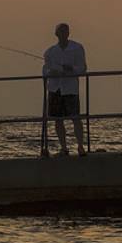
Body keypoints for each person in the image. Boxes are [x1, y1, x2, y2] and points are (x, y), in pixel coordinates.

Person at [42, 23, 87, 156]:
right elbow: (45, 70)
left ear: (68, 33)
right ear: (56, 34)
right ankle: (64, 148)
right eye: (61, 32)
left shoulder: (77, 48)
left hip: (70, 89)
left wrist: (71, 69)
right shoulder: (50, 52)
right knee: (58, 119)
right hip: (55, 89)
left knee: (75, 118)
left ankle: (80, 146)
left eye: (65, 32)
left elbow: (83, 68)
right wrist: (51, 72)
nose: (63, 34)